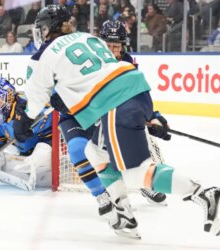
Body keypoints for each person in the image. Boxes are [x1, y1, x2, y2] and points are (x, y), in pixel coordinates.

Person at [12, 5, 220, 239]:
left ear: (46, 29)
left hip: (112, 105)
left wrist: (24, 120)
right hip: (134, 91)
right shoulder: (88, 37)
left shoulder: (43, 56)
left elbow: (36, 102)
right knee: (94, 152)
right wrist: (151, 115)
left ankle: (204, 193)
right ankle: (123, 214)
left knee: (135, 173)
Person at [98, 19, 168, 205]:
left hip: (118, 116)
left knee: (145, 140)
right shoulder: (94, 63)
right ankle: (105, 189)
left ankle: (147, 183)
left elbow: (137, 94)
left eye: (117, 45)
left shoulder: (128, 63)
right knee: (98, 150)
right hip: (95, 117)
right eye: (109, 45)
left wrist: (153, 116)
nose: (113, 49)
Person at [0, 77, 52, 191]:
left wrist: (30, 129)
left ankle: (41, 170)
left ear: (9, 97)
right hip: (18, 143)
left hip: (43, 139)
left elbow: (49, 117)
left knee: (40, 155)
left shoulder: (26, 105)